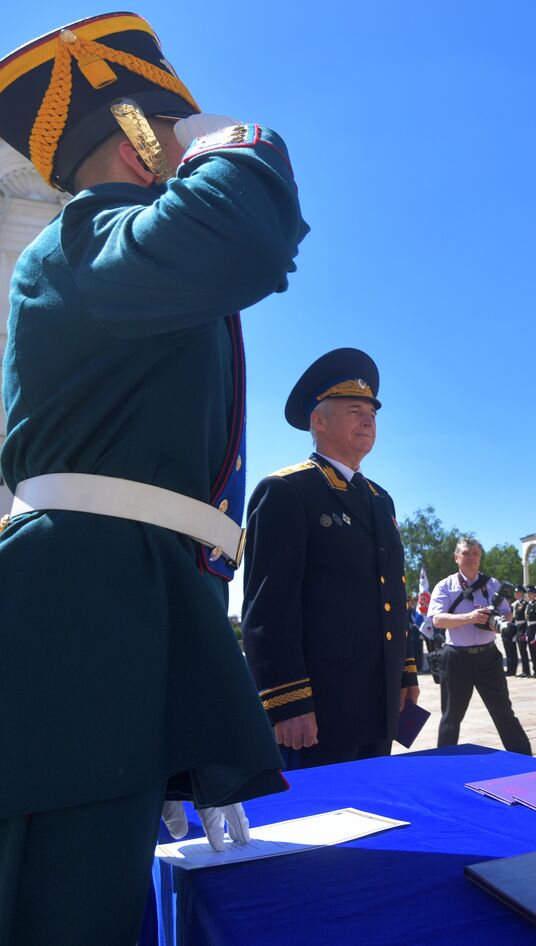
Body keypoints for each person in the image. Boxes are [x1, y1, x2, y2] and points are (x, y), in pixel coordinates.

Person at [0, 15, 305, 942]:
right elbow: (248, 234)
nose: (185, 150)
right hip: (81, 600)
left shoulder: (123, 258)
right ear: (138, 141)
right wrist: (239, 136)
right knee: (61, 905)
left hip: (129, 580)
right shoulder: (78, 244)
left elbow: (254, 247)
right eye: (169, 134)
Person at [243, 349, 419, 767]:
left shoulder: (380, 500)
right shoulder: (287, 492)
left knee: (378, 814)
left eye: (372, 412)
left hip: (379, 698)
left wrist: (406, 672)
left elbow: (393, 593)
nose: (368, 419)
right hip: (320, 705)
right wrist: (287, 702)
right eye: (354, 410)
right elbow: (269, 607)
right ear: (317, 421)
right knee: (323, 822)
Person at [427, 538, 532, 753]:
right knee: (451, 716)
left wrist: (498, 625)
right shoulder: (445, 586)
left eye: (475, 553)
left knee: (504, 713)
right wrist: (470, 617)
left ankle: (526, 761)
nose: (471, 558)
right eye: (466, 553)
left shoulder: (492, 584)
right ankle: (443, 765)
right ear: (456, 557)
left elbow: (507, 614)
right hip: (456, 657)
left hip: (488, 657)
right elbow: (437, 620)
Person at [509, 584, 531, 678]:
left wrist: (526, 632)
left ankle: (527, 671)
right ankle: (524, 670)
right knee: (520, 651)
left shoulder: (524, 604)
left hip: (522, 628)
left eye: (517, 592)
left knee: (523, 651)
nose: (515, 594)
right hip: (517, 628)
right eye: (515, 592)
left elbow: (526, 619)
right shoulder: (516, 604)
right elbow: (514, 619)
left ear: (521, 594)